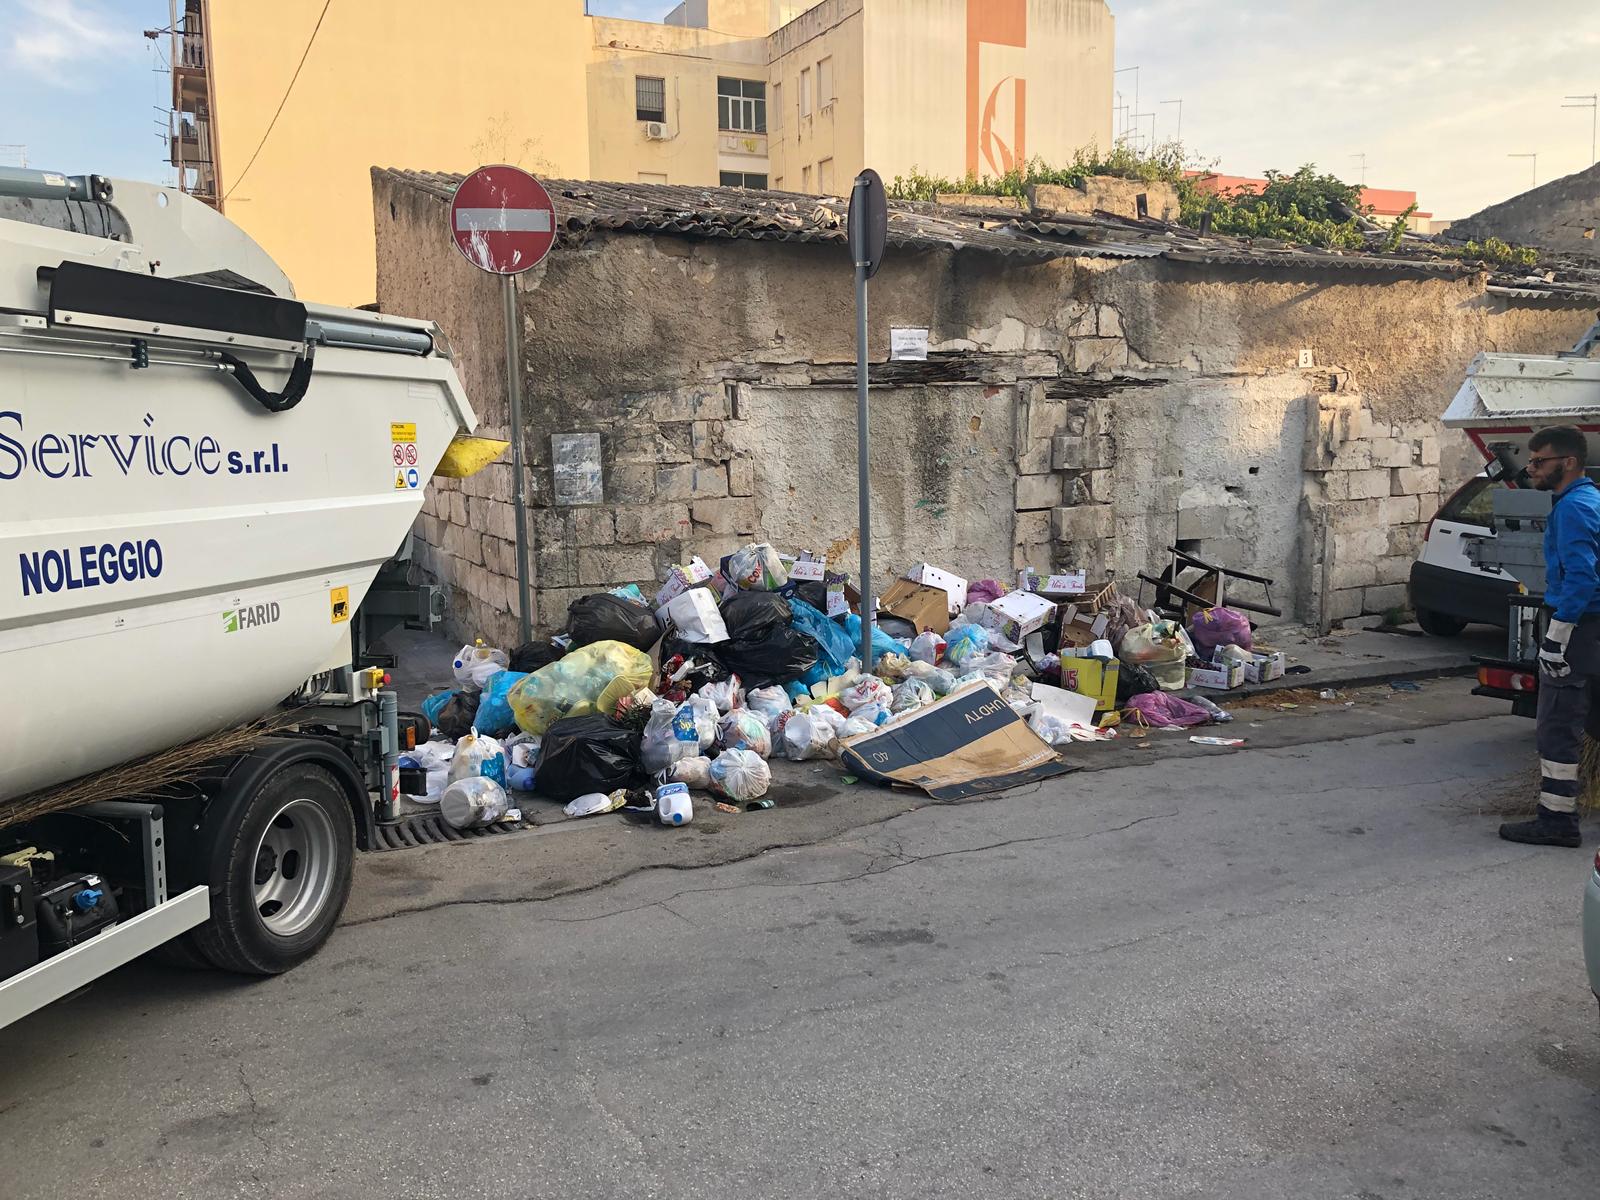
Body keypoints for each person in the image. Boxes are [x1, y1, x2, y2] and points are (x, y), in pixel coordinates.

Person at [1500, 424, 1600, 848]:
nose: (1532, 468)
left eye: (1540, 461)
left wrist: (1557, 636)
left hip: (1579, 627)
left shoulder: (1574, 507)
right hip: (1593, 627)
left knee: (1558, 725)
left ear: (1569, 462)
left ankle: (1557, 822)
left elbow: (1581, 575)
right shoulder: (1590, 500)